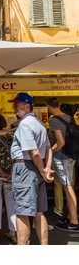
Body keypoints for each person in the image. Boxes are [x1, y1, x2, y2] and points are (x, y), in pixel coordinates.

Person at [8, 92, 54, 245]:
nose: (14, 107)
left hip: (25, 169)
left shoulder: (25, 124)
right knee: (39, 212)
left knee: (22, 212)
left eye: (17, 105)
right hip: (36, 169)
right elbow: (48, 149)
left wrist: (43, 170)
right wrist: (46, 168)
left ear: (26, 106)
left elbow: (33, 152)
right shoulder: (40, 123)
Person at [46, 97, 79, 231]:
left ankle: (74, 222)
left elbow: (61, 142)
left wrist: (50, 151)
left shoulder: (54, 120)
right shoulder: (70, 118)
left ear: (48, 106)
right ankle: (72, 216)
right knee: (69, 186)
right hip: (72, 156)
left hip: (62, 157)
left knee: (68, 188)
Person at [0, 114, 17, 244]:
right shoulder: (11, 137)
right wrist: (10, 172)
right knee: (11, 202)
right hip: (11, 174)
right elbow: (15, 155)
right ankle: (12, 232)